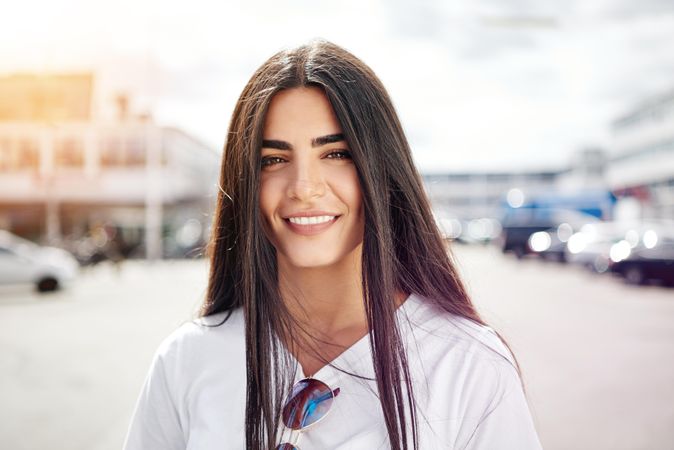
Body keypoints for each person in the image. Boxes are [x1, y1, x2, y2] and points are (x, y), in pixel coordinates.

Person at [123, 40, 542, 450]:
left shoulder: (466, 364)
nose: (304, 188)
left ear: (382, 169)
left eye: (337, 153)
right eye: (273, 159)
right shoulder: (187, 360)